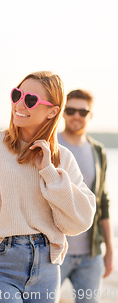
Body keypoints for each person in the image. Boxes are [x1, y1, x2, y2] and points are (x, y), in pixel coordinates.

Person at [0, 71, 96, 303]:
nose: (19, 104)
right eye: (17, 94)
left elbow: (80, 221)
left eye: (30, 100)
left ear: (53, 111)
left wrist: (49, 173)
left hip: (46, 268)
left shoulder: (62, 158)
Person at [58, 89, 113, 303]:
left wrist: (109, 249)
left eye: (83, 111)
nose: (77, 116)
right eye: (71, 110)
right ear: (63, 112)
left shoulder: (98, 151)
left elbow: (103, 203)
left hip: (91, 254)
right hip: (54, 251)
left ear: (90, 115)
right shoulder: (51, 145)